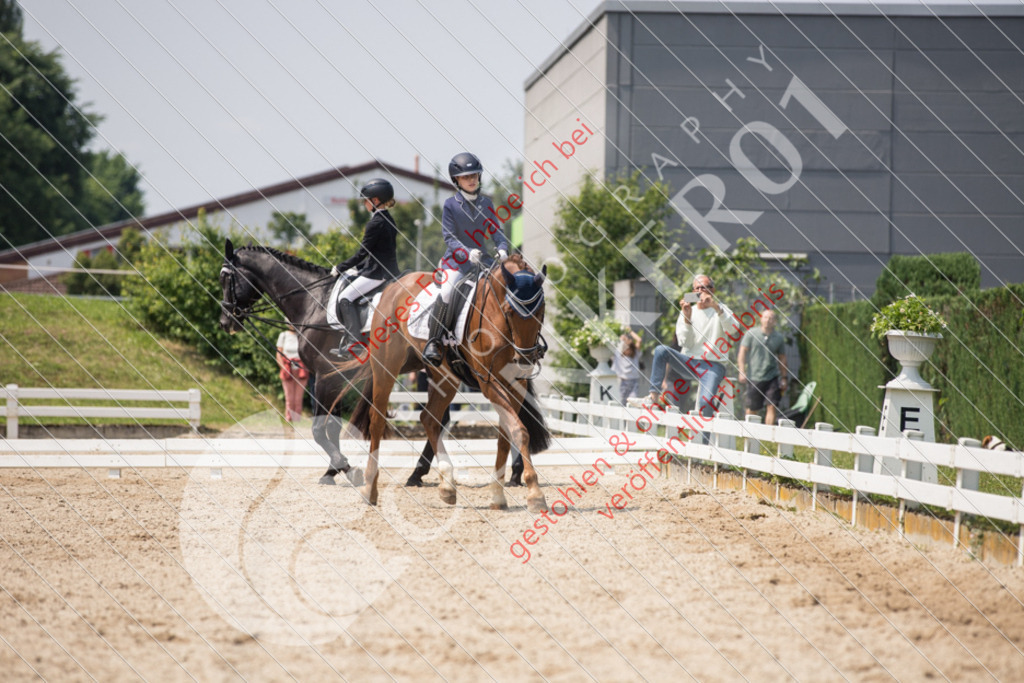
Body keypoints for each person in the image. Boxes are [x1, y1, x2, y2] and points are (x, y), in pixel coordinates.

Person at [423, 152, 510, 366]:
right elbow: (449, 238)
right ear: (457, 181)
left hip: (483, 261)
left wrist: (503, 249)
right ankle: (434, 342)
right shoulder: (450, 205)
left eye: (474, 176)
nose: (471, 180)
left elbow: (497, 234)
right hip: (457, 262)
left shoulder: (487, 204)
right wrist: (467, 252)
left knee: (507, 287)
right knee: (447, 291)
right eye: (466, 177)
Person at [330, 178, 400, 356]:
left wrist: (340, 267)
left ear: (375, 200)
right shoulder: (389, 220)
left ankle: (354, 342)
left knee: (345, 297)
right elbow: (378, 253)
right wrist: (358, 268)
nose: (364, 203)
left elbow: (363, 253)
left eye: (366, 200)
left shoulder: (375, 223)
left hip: (377, 274)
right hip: (388, 270)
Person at [647, 274, 733, 418]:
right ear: (693, 292)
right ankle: (653, 398)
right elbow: (684, 343)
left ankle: (705, 439)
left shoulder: (721, 309)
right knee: (661, 350)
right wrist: (687, 319)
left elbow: (733, 330)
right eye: (697, 288)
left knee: (705, 404)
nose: (701, 290)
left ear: (712, 290)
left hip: (713, 365)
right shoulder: (688, 311)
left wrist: (716, 307)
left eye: (705, 287)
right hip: (690, 362)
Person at [738, 309, 788, 425]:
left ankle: (768, 436)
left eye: (771, 318)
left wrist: (784, 377)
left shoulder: (778, 338)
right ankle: (749, 432)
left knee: (772, 405)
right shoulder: (751, 334)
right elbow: (742, 352)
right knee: (752, 407)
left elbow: (782, 358)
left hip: (772, 376)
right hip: (754, 376)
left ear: (775, 321)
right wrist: (741, 371)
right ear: (761, 319)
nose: (768, 320)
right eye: (765, 317)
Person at [276, 323, 306, 422]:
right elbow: (278, 354)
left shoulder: (302, 335)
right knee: (289, 397)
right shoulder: (283, 335)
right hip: (288, 369)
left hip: (301, 369)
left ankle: (297, 419)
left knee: (298, 398)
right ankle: (288, 418)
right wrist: (283, 367)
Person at [613, 329, 643, 403]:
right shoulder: (619, 355)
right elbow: (615, 343)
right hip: (623, 381)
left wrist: (630, 331)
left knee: (633, 401)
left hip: (634, 381)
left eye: (630, 349)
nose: (628, 351)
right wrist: (622, 339)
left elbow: (639, 340)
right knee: (621, 402)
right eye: (626, 348)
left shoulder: (635, 354)